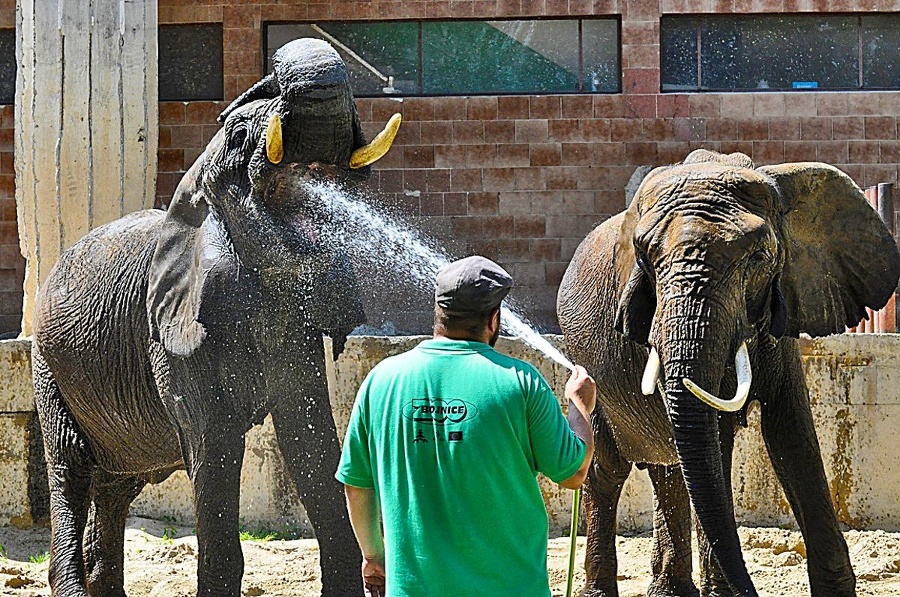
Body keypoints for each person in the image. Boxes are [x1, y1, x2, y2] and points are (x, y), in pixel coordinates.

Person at [335, 255, 596, 597]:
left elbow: (356, 485)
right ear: (494, 318)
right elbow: (574, 473)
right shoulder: (521, 382)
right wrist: (580, 406)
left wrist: (373, 556)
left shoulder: (381, 380)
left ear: (438, 314)